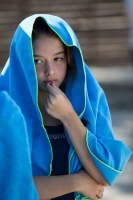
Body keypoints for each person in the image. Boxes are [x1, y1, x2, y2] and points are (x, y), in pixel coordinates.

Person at [0, 14, 132, 200]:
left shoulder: (91, 100)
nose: (50, 71)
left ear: (70, 59)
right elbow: (8, 188)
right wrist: (76, 182)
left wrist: (69, 117)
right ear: (22, 61)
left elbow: (104, 176)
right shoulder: (5, 109)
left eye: (58, 59)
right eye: (38, 61)